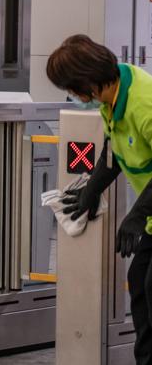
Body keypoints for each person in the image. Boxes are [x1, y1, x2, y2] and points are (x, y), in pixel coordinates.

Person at [47, 34, 152, 364]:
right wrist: (92, 189)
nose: (72, 96)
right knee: (139, 282)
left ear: (88, 82)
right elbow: (114, 150)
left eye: (71, 88)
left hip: (148, 210)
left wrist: (135, 216)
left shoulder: (144, 104)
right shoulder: (112, 97)